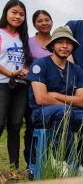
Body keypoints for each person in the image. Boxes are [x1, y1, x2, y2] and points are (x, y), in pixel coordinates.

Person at [27, 26, 83, 174]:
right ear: (52, 45)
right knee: (64, 110)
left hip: (69, 112)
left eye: (69, 43)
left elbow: (81, 101)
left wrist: (55, 95)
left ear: (73, 47)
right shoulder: (40, 64)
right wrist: (67, 104)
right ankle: (60, 161)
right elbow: (41, 98)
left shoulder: (76, 70)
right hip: (42, 114)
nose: (65, 46)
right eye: (60, 42)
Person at [0, 0, 29, 169]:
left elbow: (25, 61)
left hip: (20, 86)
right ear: (6, 13)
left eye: (21, 14)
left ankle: (14, 167)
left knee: (15, 125)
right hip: (2, 83)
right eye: (14, 12)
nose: (18, 16)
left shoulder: (23, 37)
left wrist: (24, 70)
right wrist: (10, 73)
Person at [25, 10, 53, 167]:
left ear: (52, 22)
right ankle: (32, 163)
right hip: (33, 90)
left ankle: (48, 162)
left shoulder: (56, 42)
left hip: (54, 89)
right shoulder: (29, 42)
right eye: (40, 21)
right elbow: (24, 62)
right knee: (32, 127)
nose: (44, 23)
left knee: (51, 127)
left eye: (47, 20)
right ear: (35, 24)